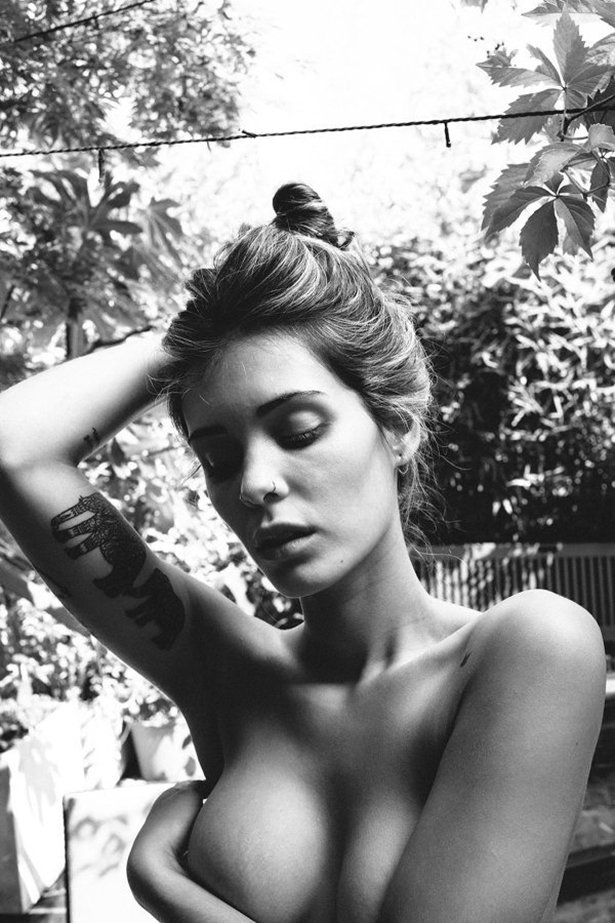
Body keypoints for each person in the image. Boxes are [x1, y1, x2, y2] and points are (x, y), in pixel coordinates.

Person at [0, 183, 606, 923]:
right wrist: (197, 335)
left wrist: (164, 886)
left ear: (396, 427)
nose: (253, 483)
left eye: (298, 431)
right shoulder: (225, 672)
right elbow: (15, 450)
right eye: (218, 459)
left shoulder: (528, 649)